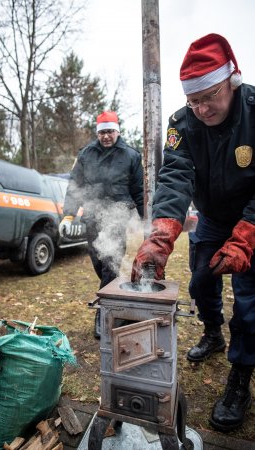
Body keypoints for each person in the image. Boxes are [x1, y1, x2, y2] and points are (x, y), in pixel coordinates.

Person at [131, 33, 255, 433]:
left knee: (250, 301)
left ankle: (240, 375)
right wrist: (161, 236)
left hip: (252, 217)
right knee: (201, 281)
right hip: (212, 217)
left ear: (231, 80)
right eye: (193, 100)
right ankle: (213, 333)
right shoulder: (181, 124)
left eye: (210, 96)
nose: (202, 108)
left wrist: (246, 235)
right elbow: (175, 177)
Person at [59, 111, 144, 338]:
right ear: (98, 133)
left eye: (110, 131)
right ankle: (119, 298)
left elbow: (139, 190)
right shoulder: (86, 154)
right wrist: (68, 215)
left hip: (118, 216)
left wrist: (148, 221)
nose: (106, 136)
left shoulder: (131, 155)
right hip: (93, 216)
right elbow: (75, 185)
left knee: (110, 262)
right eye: (102, 132)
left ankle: (105, 313)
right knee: (100, 263)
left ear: (118, 131)